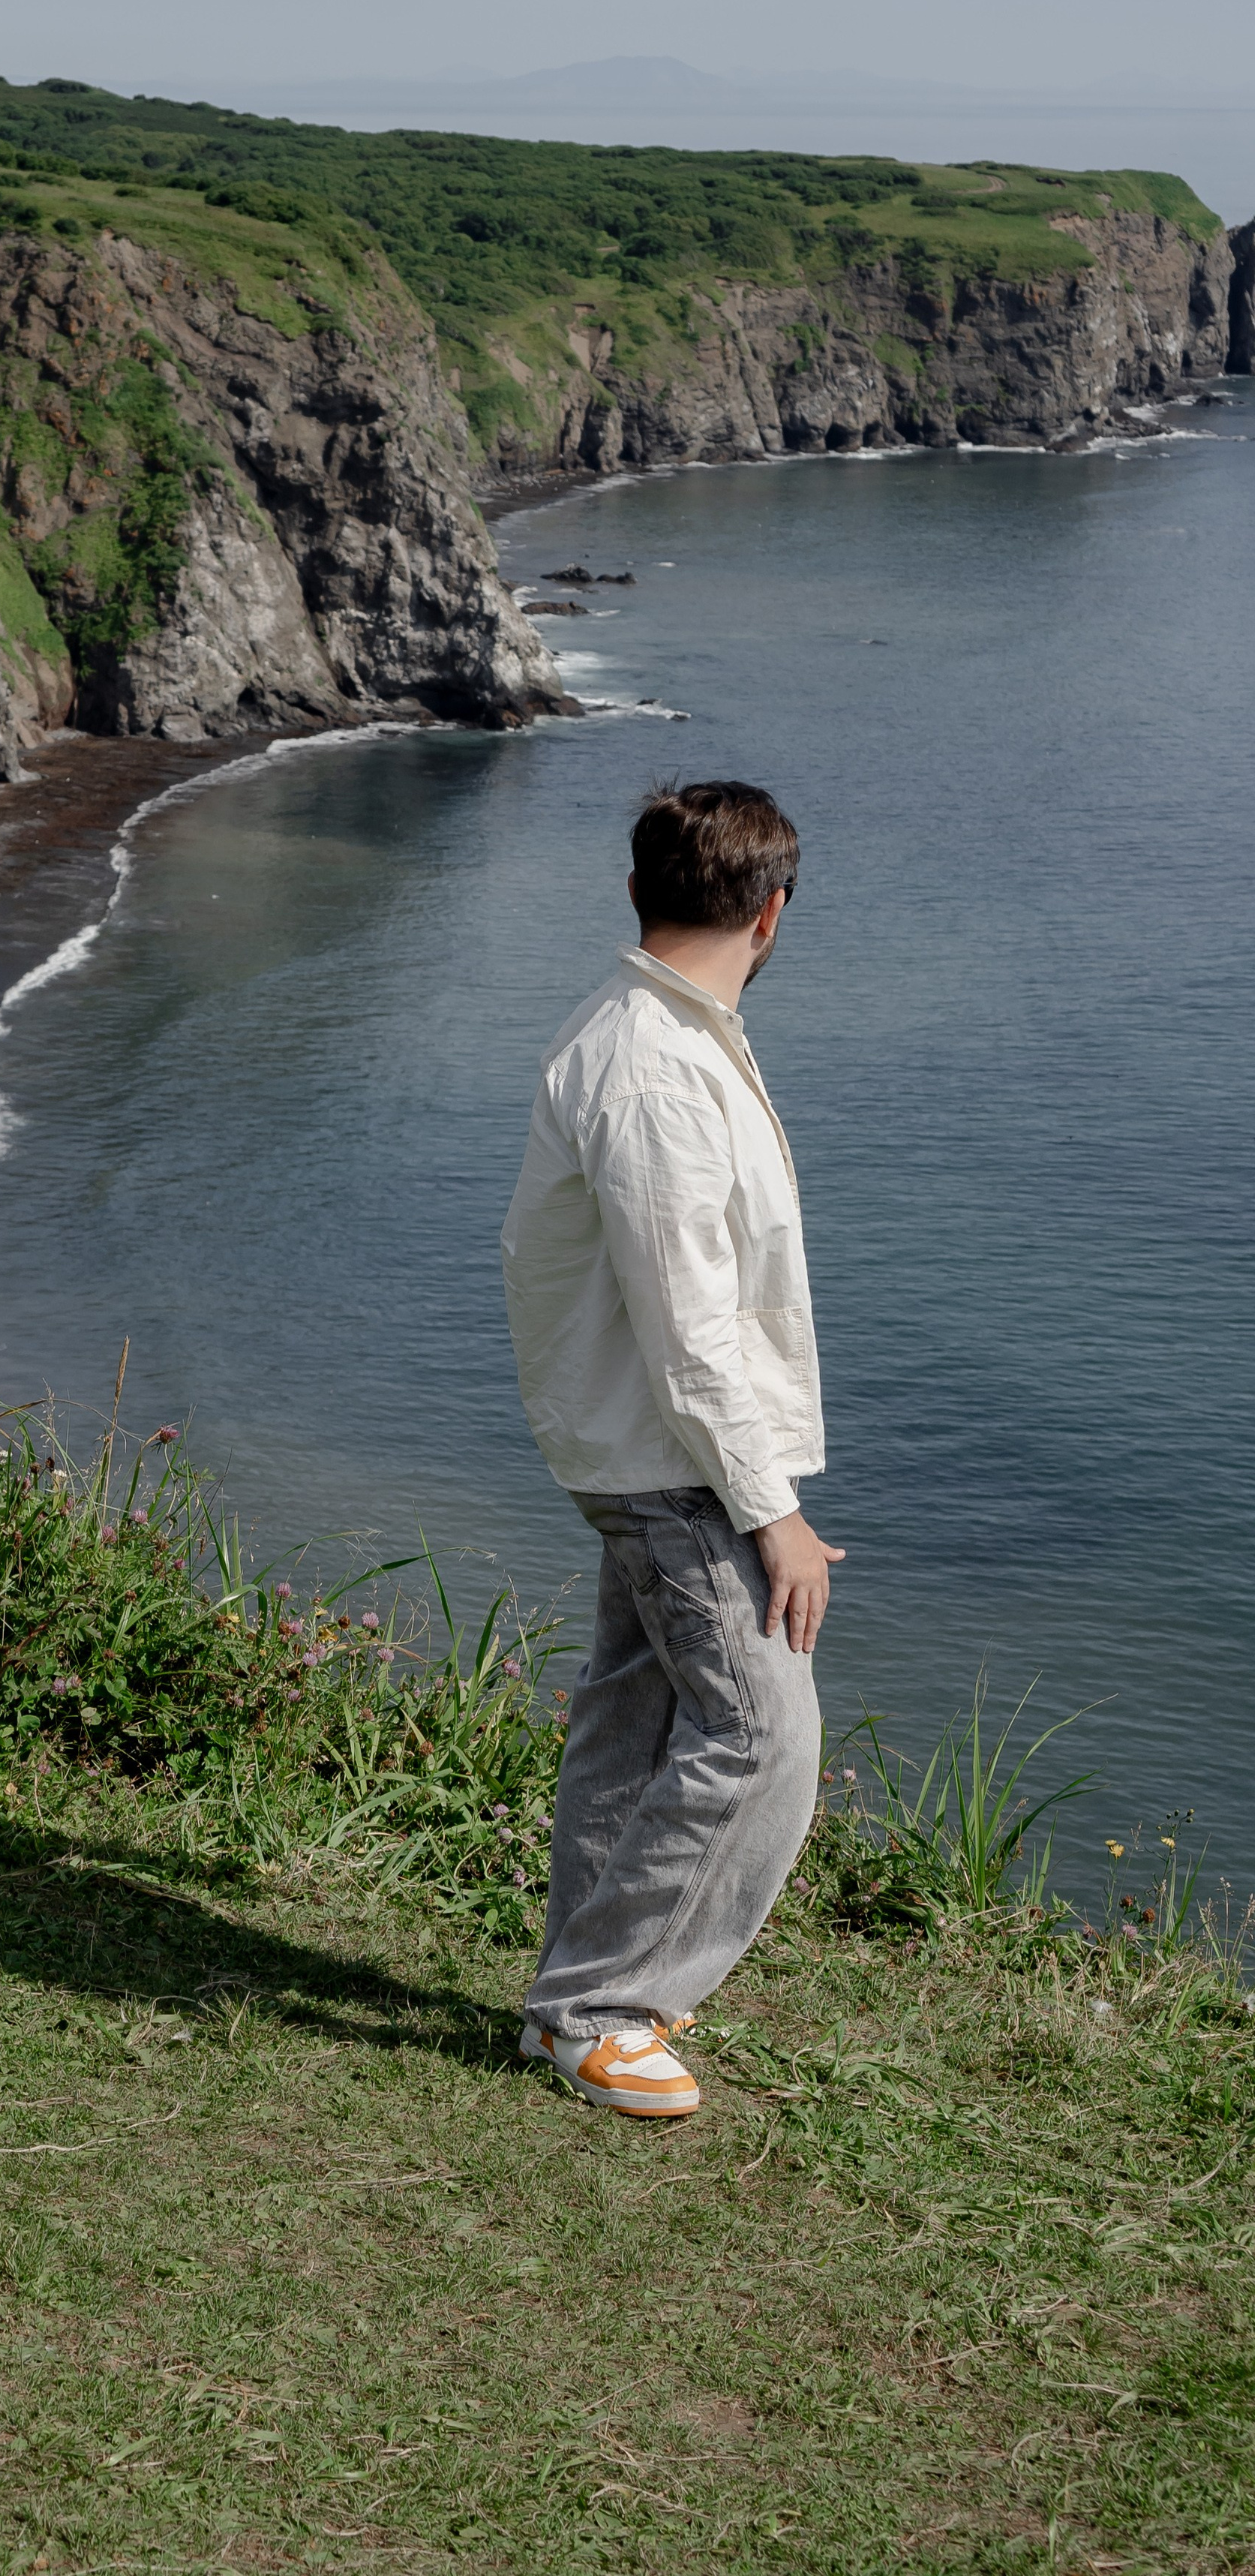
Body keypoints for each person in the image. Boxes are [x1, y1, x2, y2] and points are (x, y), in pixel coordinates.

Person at [500, 780, 841, 2119]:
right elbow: (689, 1322)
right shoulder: (655, 1068)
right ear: (770, 914)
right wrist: (774, 1512)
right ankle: (601, 2008)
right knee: (765, 1733)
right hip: (671, 1453)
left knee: (638, 1717)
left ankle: (584, 1985)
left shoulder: (662, 1032)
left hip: (646, 1438)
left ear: (640, 892)